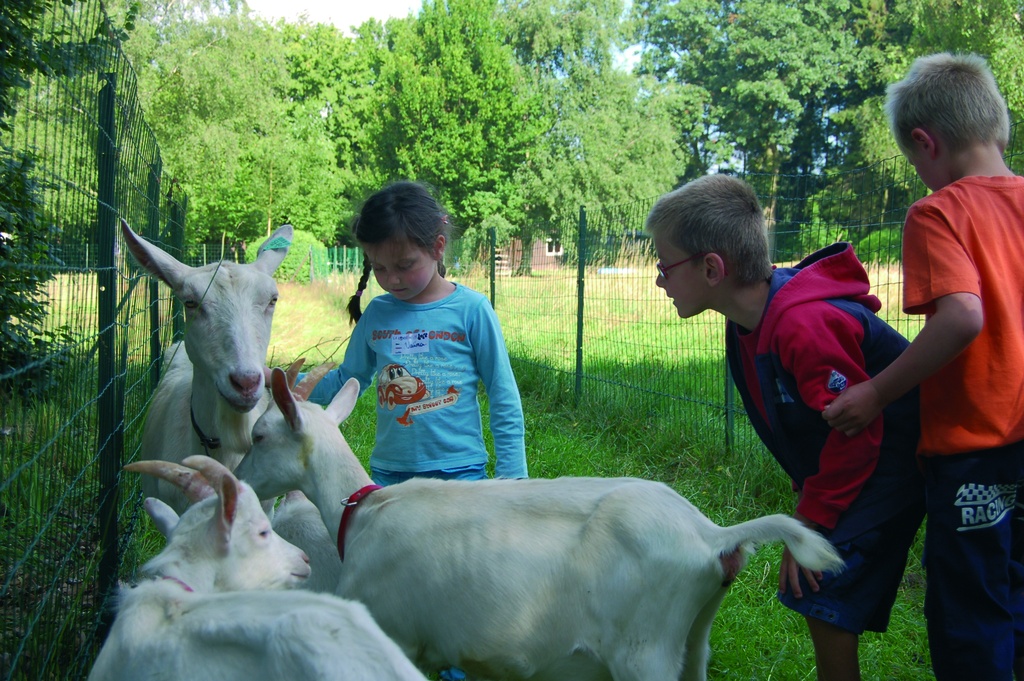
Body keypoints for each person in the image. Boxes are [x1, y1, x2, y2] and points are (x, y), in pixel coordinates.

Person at [646, 173, 925, 681]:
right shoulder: (746, 323)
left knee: (819, 585)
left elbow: (859, 433)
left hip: (899, 462)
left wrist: (811, 520)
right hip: (868, 461)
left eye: (664, 265)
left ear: (712, 268)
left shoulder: (802, 324)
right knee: (819, 589)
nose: (659, 279)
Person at [822, 52, 1024, 680]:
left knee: (974, 619)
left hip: (975, 454)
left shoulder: (938, 213)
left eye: (915, 165)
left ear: (924, 142)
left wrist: (877, 393)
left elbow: (963, 316)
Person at [307, 180, 528, 487]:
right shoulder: (377, 314)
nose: (392, 279)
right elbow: (346, 381)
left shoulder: (472, 310)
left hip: (461, 476)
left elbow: (502, 393)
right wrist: (282, 383)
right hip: (391, 477)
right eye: (379, 268)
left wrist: (513, 476)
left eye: (405, 264)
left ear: (437, 248)